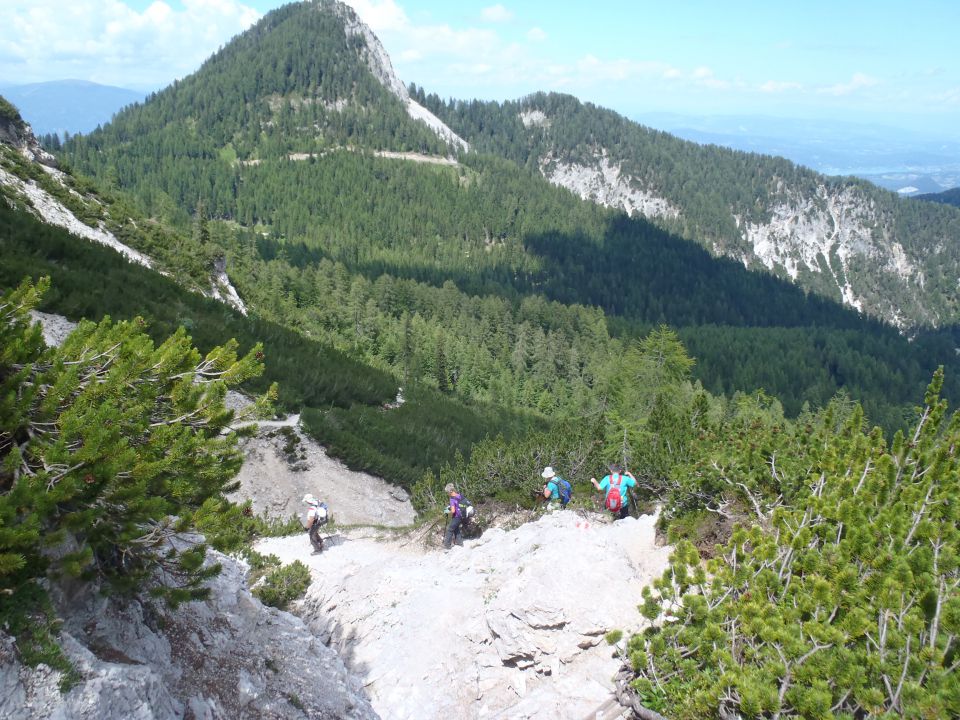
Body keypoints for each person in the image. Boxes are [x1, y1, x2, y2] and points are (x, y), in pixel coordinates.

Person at [442, 482, 466, 549]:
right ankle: (460, 542)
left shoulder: (452, 499)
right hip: (462, 515)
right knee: (456, 528)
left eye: (447, 492)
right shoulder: (459, 495)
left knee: (450, 529)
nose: (447, 493)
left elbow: (453, 511)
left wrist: (447, 510)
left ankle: (447, 545)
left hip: (456, 516)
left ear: (450, 491)